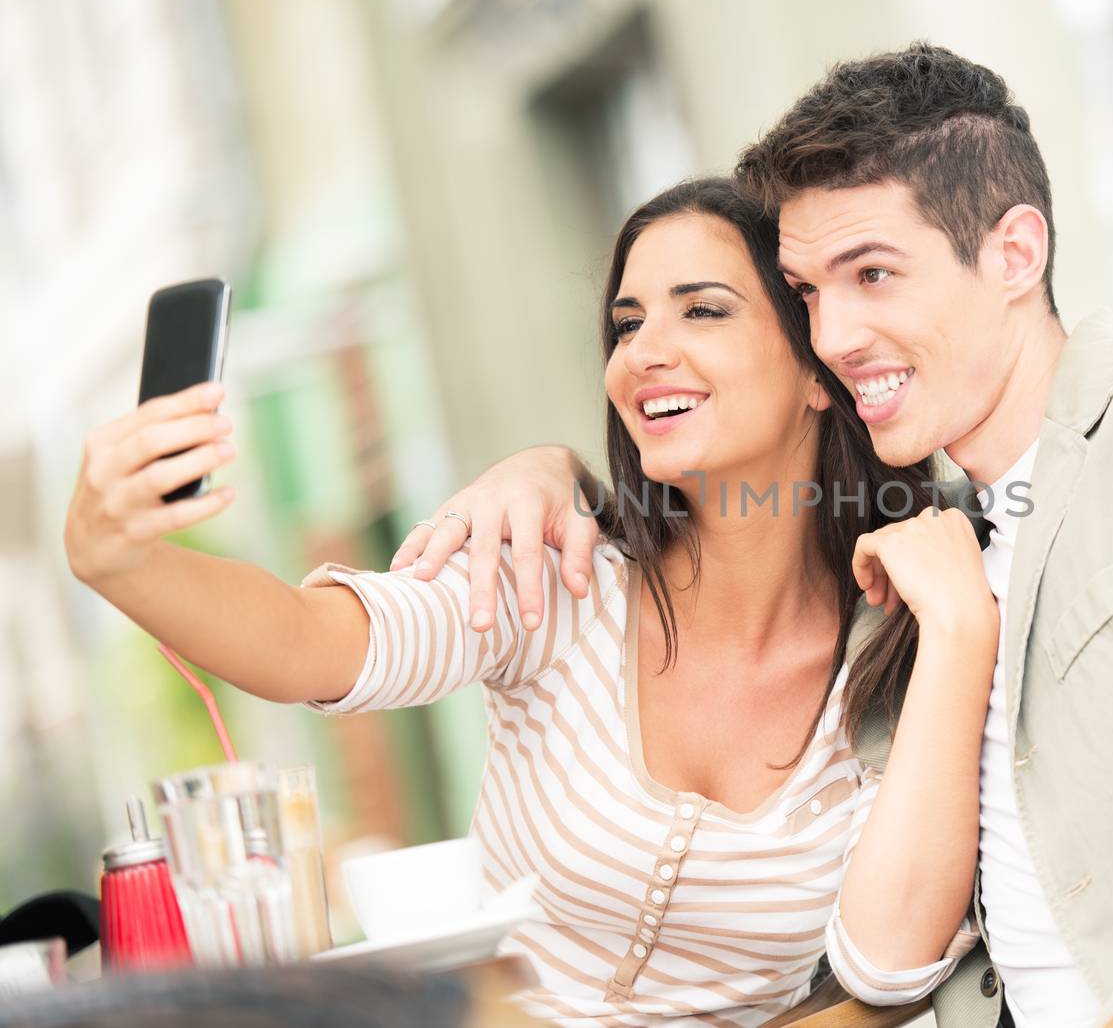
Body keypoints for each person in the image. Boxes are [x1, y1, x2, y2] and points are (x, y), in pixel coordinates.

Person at [400, 46, 1113, 1027]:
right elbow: (891, 957)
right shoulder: (917, 570)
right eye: (806, 292)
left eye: (873, 275)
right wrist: (551, 471)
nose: (836, 334)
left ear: (1013, 255)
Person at [64, 178, 999, 1025]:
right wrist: (120, 561)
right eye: (627, 326)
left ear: (816, 372)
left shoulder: (908, 637)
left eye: (702, 311)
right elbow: (310, 644)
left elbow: (887, 974)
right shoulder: (558, 577)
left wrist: (955, 631)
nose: (644, 356)